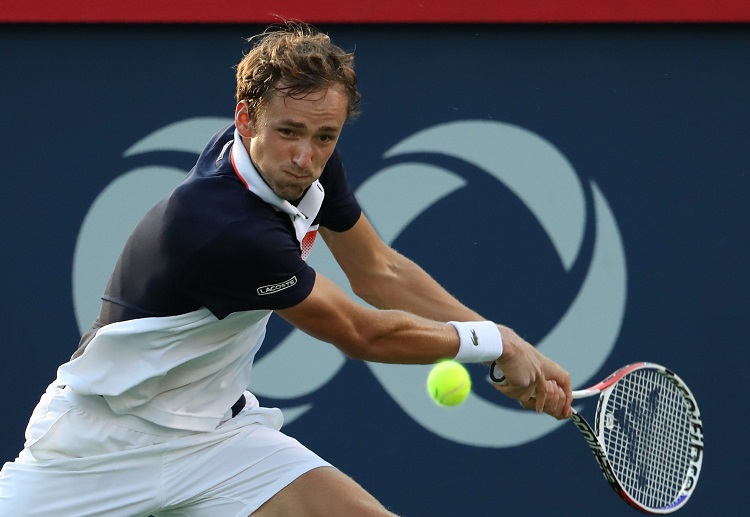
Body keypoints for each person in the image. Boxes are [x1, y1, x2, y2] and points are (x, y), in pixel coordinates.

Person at [0, 22, 572, 516]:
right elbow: (361, 332)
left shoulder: (303, 169)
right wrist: (491, 342)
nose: (306, 156)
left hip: (218, 439)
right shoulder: (223, 226)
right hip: (101, 445)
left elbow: (381, 272)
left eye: (326, 136)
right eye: (289, 132)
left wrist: (513, 346)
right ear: (246, 118)